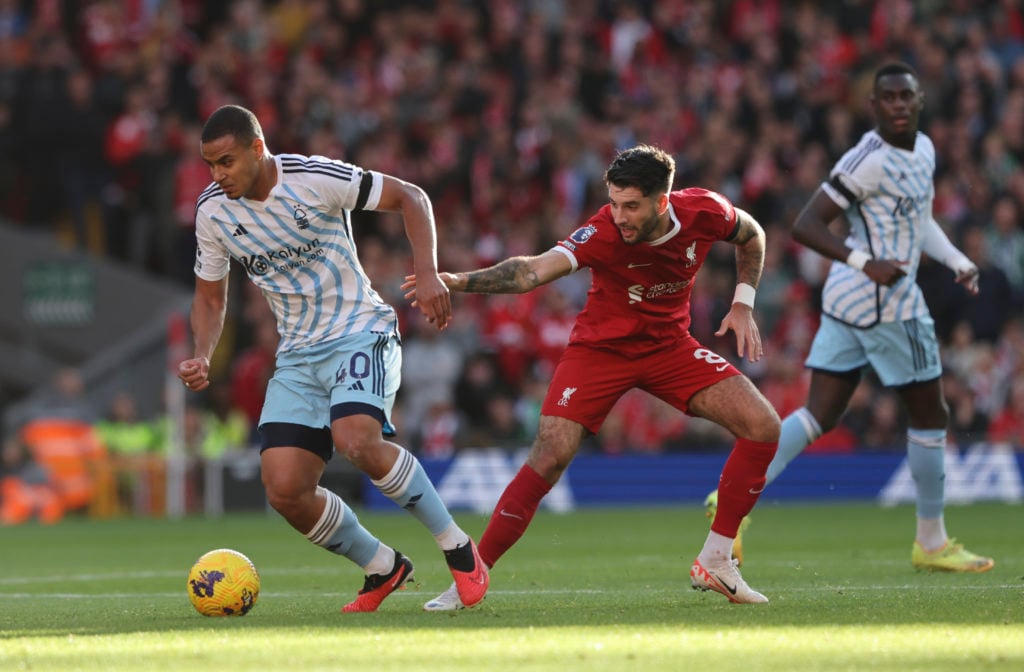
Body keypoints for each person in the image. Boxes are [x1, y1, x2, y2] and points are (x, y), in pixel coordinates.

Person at [405, 144, 781, 607]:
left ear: (662, 202)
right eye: (614, 202)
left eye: (631, 206)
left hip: (669, 346)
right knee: (550, 453)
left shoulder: (705, 210)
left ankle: (717, 560)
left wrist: (743, 301)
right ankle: (470, 579)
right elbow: (530, 273)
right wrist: (457, 281)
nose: (619, 215)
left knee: (764, 426)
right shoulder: (602, 231)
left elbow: (753, 235)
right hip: (600, 351)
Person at [177, 104, 488, 613]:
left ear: (258, 149)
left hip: (359, 331)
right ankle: (382, 566)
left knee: (356, 440)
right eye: (211, 164)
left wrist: (428, 272)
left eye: (227, 161)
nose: (218, 175)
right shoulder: (213, 212)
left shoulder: (314, 177)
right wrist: (202, 354)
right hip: (298, 354)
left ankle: (458, 547)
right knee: (285, 489)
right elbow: (211, 298)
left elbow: (411, 196)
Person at [750, 63, 994, 572]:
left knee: (819, 413)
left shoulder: (923, 149)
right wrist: (866, 262)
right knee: (931, 416)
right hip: (888, 304)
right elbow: (805, 224)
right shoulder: (867, 161)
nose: (900, 105)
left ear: (920, 100)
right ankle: (931, 544)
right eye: (889, 98)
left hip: (845, 303)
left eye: (907, 96)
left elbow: (919, 219)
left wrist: (956, 261)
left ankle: (729, 494)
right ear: (874, 106)